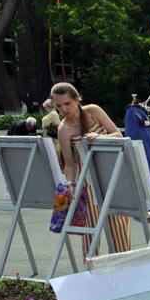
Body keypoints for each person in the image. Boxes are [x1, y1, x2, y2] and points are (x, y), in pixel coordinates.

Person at [51, 82, 131, 261]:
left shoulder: (93, 111)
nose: (63, 109)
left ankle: (124, 267)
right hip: (84, 178)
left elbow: (118, 135)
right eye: (58, 105)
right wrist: (71, 184)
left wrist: (99, 137)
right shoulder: (63, 128)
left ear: (77, 99)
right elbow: (69, 164)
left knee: (118, 225)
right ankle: (91, 270)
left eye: (67, 103)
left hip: (109, 172)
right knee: (89, 229)